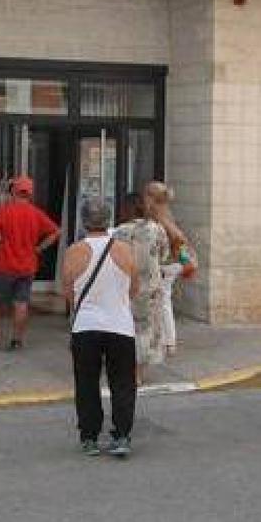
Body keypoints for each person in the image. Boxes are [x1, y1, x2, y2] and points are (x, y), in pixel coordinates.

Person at [61, 197, 139, 458]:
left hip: (86, 326)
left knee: (86, 383)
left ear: (83, 222)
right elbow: (134, 289)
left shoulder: (74, 251)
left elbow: (68, 292)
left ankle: (90, 437)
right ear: (109, 221)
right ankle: (122, 435)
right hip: (120, 325)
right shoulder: (125, 250)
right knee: (123, 383)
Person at [0, 176, 60, 352]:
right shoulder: (36, 213)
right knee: (21, 303)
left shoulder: (4, 211)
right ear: (30, 194)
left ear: (13, 191)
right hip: (27, 266)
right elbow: (56, 232)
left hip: (3, 265)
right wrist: (39, 248)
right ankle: (17, 340)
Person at [113, 193, 169, 382]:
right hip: (151, 288)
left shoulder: (119, 231)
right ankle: (138, 372)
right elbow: (164, 254)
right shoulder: (156, 229)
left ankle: (124, 365)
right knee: (145, 330)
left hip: (126, 286)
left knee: (125, 328)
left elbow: (113, 258)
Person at [143, 181, 194, 357]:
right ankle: (167, 341)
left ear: (151, 197)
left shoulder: (160, 215)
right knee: (163, 301)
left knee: (162, 302)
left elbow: (179, 238)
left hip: (166, 265)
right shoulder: (164, 212)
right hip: (169, 264)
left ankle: (167, 342)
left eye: (146, 194)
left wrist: (179, 257)